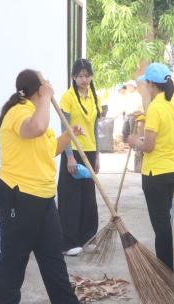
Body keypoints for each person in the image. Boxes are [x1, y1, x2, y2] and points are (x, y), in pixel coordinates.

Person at [0, 69, 98, 304]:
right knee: (15, 254)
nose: (49, 88)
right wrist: (49, 95)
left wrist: (68, 134)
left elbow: (50, 150)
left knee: (52, 254)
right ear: (38, 91)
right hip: (18, 194)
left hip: (42, 197)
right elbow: (36, 129)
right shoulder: (19, 113)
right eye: (45, 85)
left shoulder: (38, 115)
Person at [128, 63, 174, 271]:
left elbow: (149, 146)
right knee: (164, 220)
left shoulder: (156, 107)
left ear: (151, 84)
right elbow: (162, 137)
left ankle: (164, 269)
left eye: (146, 83)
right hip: (172, 169)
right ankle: (166, 266)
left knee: (160, 225)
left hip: (155, 173)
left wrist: (135, 141)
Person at [58, 59, 102, 256]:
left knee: (88, 196)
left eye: (87, 75)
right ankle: (69, 242)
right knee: (70, 196)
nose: (84, 80)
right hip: (73, 152)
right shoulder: (67, 98)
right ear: (73, 77)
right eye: (80, 76)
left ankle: (88, 238)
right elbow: (64, 129)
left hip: (89, 151)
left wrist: (98, 154)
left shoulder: (94, 97)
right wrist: (69, 157)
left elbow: (95, 127)